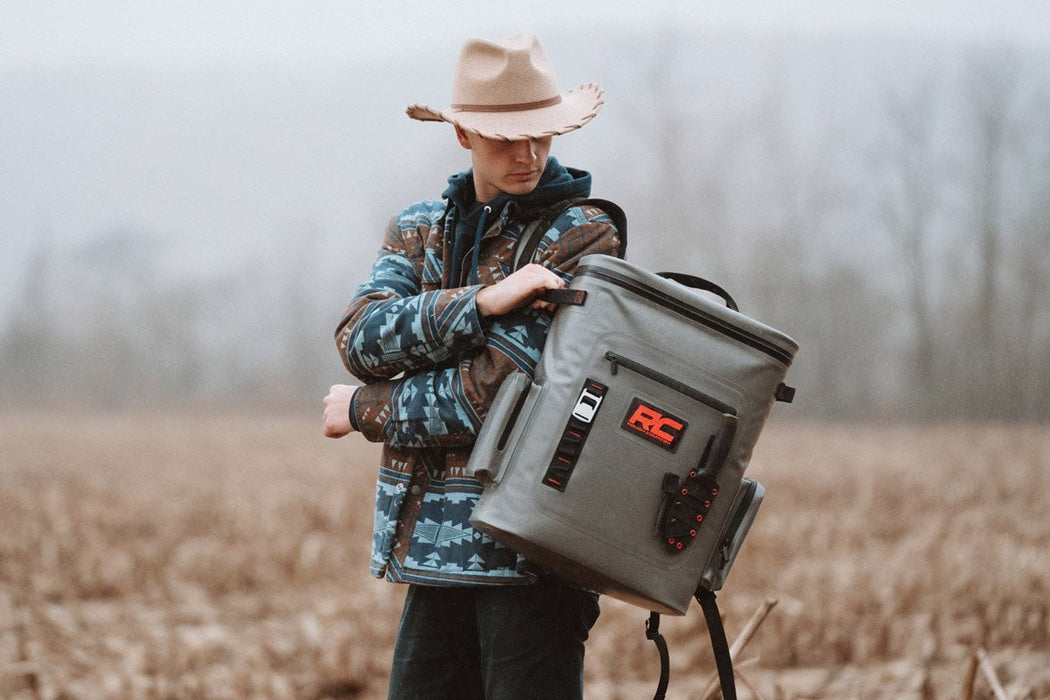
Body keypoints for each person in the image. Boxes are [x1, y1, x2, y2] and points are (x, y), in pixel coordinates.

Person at [322, 32, 622, 699]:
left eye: (540, 134)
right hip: (432, 555)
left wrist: (361, 408)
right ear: (462, 135)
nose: (529, 154)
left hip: (534, 558)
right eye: (505, 138)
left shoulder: (581, 235)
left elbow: (497, 396)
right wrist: (483, 303)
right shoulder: (417, 228)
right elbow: (359, 338)